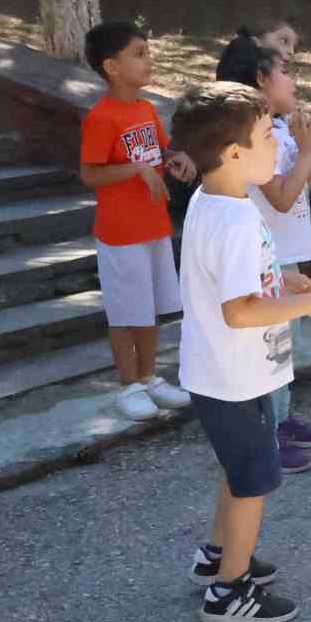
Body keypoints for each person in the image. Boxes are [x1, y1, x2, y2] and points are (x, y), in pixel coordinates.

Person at [173, 80, 311, 622]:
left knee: (236, 469)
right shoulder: (237, 217)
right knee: (253, 482)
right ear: (235, 153)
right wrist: (306, 309)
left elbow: (232, 279)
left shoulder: (213, 199)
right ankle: (230, 592)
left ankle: (219, 557)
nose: (279, 144)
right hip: (236, 375)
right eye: (269, 134)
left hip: (219, 372)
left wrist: (285, 280)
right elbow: (239, 310)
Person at [216, 32, 311, 472]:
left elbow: (297, 180)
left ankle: (281, 417)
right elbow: (282, 198)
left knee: (280, 345)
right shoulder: (256, 136)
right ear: (260, 80)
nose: (293, 80)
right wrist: (309, 150)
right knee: (265, 347)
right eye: (285, 72)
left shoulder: (277, 131)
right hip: (263, 256)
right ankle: (264, 432)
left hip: (282, 253)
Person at [78, 22, 198, 422]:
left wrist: (175, 160)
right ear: (112, 66)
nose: (150, 60)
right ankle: (127, 384)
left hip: (154, 226)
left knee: (152, 308)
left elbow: (159, 151)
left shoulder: (145, 109)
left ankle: (149, 377)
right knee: (126, 311)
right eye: (140, 53)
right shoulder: (101, 117)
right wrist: (134, 169)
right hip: (121, 232)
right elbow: (91, 174)